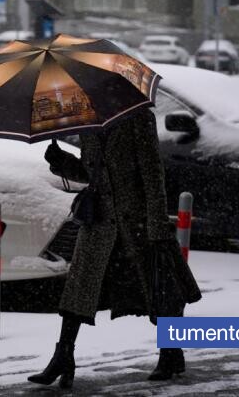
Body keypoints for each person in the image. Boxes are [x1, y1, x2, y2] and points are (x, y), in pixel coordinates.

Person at [28, 107, 202, 389]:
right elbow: (92, 173)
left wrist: (156, 224)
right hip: (99, 222)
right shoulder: (85, 117)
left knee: (158, 289)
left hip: (136, 223)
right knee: (78, 292)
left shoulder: (136, 115)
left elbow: (152, 172)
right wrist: (62, 163)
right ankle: (63, 357)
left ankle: (171, 353)